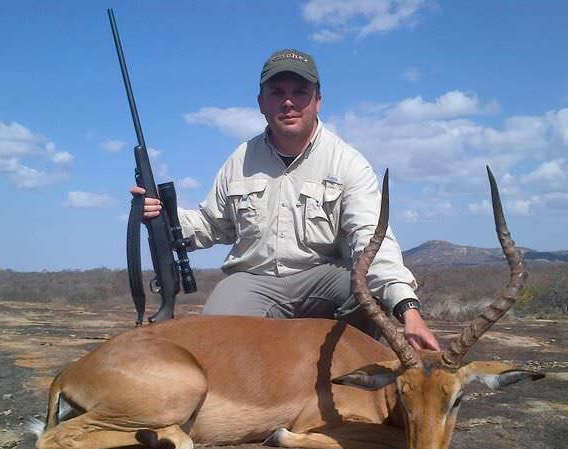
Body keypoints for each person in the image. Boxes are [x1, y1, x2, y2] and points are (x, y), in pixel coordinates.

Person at [131, 49, 439, 351]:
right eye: (277, 92)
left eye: (300, 92)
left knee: (368, 291)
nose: (288, 102)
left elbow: (371, 239)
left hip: (323, 277)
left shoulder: (348, 162)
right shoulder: (240, 159)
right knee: (216, 339)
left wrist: (408, 309)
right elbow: (212, 224)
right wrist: (160, 215)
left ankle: (351, 373)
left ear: (318, 100)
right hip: (255, 278)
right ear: (261, 103)